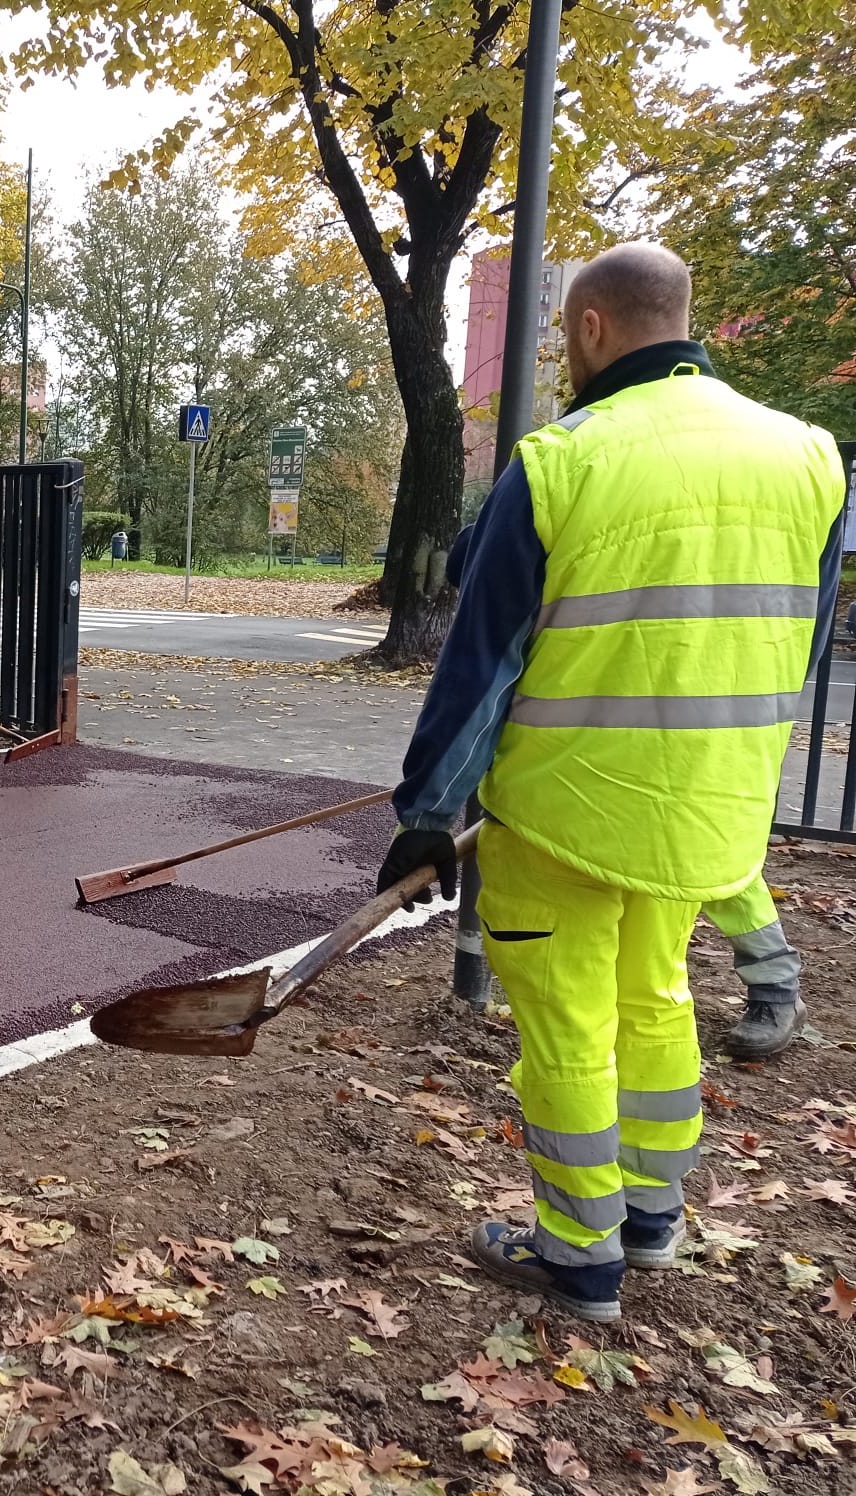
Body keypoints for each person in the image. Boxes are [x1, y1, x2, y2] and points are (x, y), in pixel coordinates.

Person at [380, 243, 846, 1322]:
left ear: (590, 327)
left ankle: (577, 1255)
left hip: (565, 818)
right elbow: (802, 640)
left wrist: (426, 814)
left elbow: (481, 666)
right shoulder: (808, 457)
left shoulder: (562, 463)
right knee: (657, 1002)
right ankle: (650, 1219)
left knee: (568, 1031)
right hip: (702, 816)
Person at [444, 525, 808, 1060]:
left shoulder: (584, 590)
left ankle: (776, 987)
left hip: (685, 750)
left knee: (712, 863)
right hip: (611, 773)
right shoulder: (552, 590)